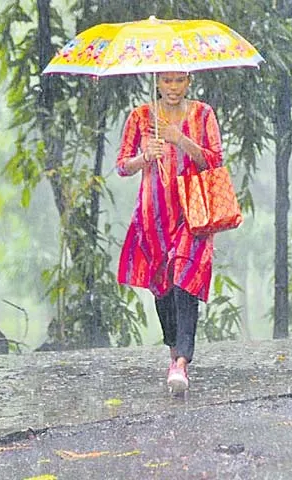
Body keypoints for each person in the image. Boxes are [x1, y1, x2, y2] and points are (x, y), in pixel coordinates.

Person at [115, 71, 222, 393]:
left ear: (189, 81)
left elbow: (214, 161)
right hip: (153, 217)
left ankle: (182, 362)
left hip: (193, 213)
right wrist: (144, 157)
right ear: (158, 83)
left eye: (179, 80)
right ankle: (174, 353)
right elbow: (122, 166)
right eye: (166, 81)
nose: (173, 88)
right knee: (162, 287)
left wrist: (181, 140)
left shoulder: (203, 114)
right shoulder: (140, 116)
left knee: (185, 278)